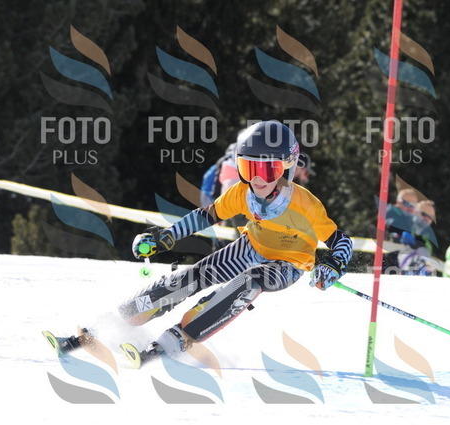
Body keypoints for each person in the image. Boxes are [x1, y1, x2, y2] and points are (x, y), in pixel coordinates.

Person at [120, 121, 353, 365]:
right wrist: (168, 235)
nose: (257, 179)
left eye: (267, 170)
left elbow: (341, 241)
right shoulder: (242, 192)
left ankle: (177, 339)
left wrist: (334, 264)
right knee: (196, 275)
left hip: (287, 265)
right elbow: (207, 216)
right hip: (250, 248)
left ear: (288, 167)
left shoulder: (306, 205)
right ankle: (126, 315)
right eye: (248, 168)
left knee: (250, 280)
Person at [397, 200, 437, 275]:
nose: (427, 218)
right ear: (415, 212)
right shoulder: (404, 226)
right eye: (424, 214)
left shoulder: (427, 239)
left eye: (430, 216)